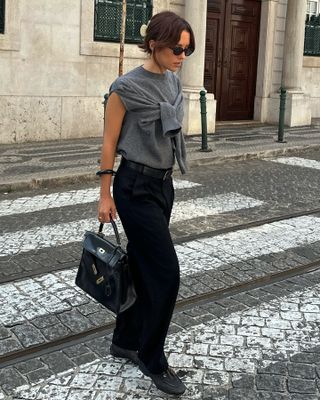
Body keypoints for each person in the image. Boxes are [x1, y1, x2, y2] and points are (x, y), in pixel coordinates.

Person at [97, 11, 195, 396]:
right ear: (154, 43)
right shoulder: (125, 87)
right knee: (166, 274)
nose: (182, 56)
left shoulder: (173, 82)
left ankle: (124, 339)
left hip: (162, 186)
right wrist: (105, 194)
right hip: (134, 188)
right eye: (176, 48)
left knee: (140, 268)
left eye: (187, 50)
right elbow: (108, 142)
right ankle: (152, 356)